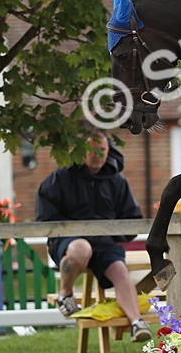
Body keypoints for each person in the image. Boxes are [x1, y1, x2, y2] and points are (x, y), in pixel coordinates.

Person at [36, 131, 152, 341]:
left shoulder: (117, 180)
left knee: (120, 270)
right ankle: (65, 295)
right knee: (82, 248)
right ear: (82, 151)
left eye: (103, 150)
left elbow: (131, 219)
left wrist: (113, 234)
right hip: (68, 243)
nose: (98, 155)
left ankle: (137, 323)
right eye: (93, 150)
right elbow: (45, 220)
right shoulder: (59, 178)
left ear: (109, 151)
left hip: (104, 244)